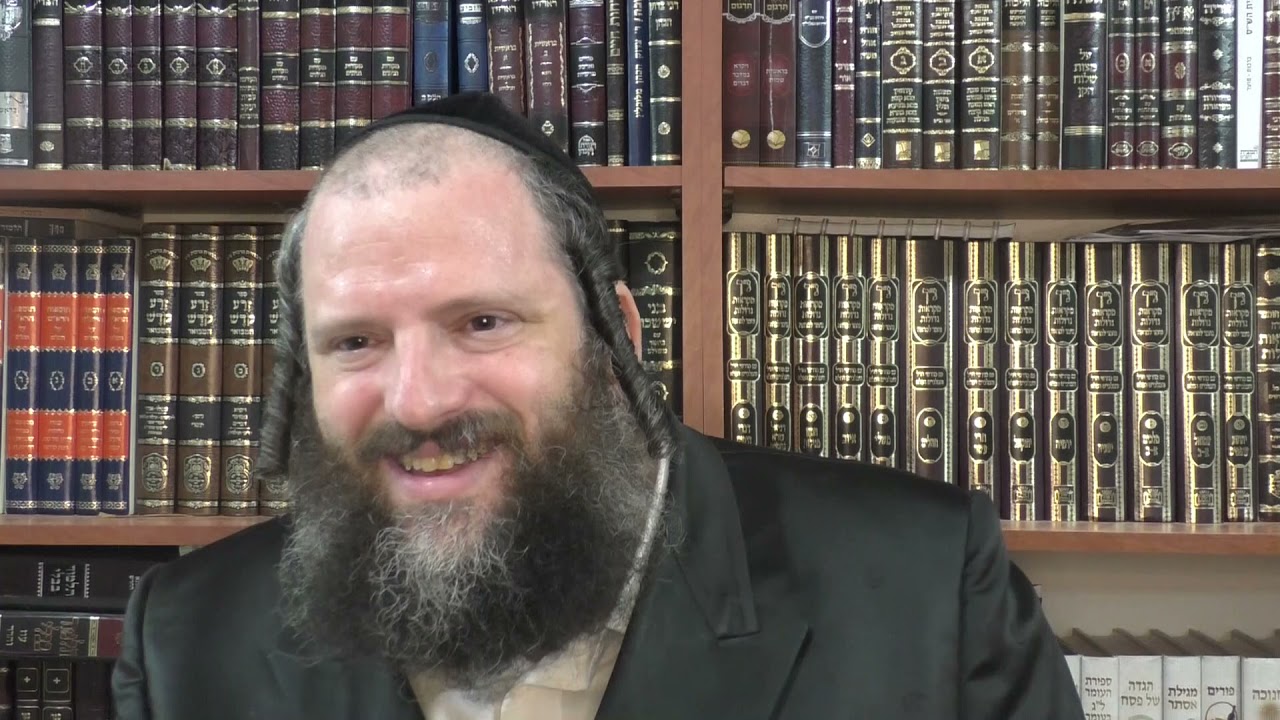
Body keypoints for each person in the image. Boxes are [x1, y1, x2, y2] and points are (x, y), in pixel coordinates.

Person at [110, 92, 1086, 720]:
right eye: (355, 342)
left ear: (615, 336)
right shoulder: (185, 644)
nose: (418, 400)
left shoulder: (925, 593)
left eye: (481, 322)